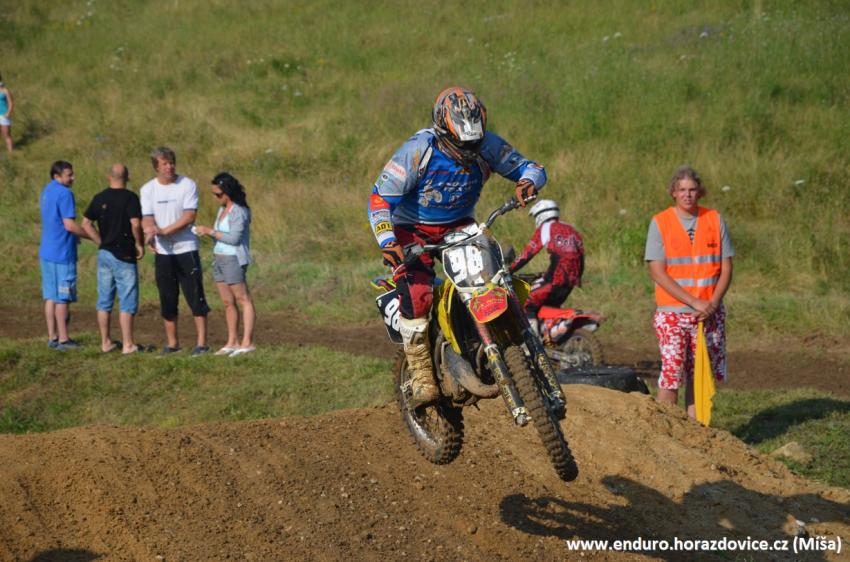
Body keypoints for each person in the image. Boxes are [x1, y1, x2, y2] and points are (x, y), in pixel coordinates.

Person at [367, 86, 549, 409]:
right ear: (442, 131)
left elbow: (532, 167)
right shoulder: (417, 151)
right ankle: (421, 374)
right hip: (412, 229)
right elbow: (379, 198)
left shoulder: (487, 145)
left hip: (460, 225)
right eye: (460, 144)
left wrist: (528, 181)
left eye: (473, 144)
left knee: (492, 278)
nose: (467, 151)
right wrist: (387, 240)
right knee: (418, 295)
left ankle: (501, 341)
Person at [645, 166, 734, 418]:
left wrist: (712, 303)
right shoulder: (660, 222)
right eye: (682, 190)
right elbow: (657, 272)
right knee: (671, 375)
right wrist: (695, 302)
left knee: (700, 375)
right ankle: (666, 430)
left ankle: (695, 432)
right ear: (673, 192)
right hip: (673, 313)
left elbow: (726, 268)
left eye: (692, 189)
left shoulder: (714, 219)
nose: (687, 194)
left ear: (700, 192)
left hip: (709, 313)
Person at [140, 146, 210, 356]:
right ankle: (173, 344)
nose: (169, 167)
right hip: (163, 253)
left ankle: (202, 344)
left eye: (171, 163)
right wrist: (150, 233)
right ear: (156, 167)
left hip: (186, 248)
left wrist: (163, 231)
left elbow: (189, 216)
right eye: (164, 164)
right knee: (167, 297)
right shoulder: (148, 189)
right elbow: (147, 217)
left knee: (195, 295)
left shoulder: (187, 185)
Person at [81, 163, 147, 354]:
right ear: (127, 178)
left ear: (109, 177)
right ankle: (128, 344)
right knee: (127, 300)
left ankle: (105, 342)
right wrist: (139, 244)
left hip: (105, 254)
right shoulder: (130, 198)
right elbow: (136, 224)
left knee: (104, 300)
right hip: (124, 254)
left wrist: (100, 241)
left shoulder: (100, 197)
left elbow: (86, 223)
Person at [194, 172, 255, 356]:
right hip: (219, 258)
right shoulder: (222, 209)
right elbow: (222, 235)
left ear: (228, 192)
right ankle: (232, 341)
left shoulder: (239, 211)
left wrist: (209, 231)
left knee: (243, 299)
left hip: (233, 259)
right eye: (214, 194)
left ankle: (247, 342)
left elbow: (234, 238)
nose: (216, 198)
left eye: (218, 194)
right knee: (228, 302)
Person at [39, 161, 94, 350]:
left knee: (50, 296)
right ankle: (64, 339)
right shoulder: (65, 193)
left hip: (47, 251)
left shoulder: (47, 190)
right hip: (62, 253)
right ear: (57, 176)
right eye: (69, 175)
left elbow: (55, 220)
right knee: (63, 297)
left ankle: (52, 337)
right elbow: (69, 225)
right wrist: (92, 235)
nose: (73, 178)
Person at [509, 199, 585, 334]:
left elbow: (528, 253)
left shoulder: (546, 228)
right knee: (547, 307)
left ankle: (533, 341)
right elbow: (580, 255)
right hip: (571, 281)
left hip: (555, 279)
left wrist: (510, 269)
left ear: (541, 215)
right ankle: (550, 334)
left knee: (526, 302)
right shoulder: (571, 229)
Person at [0, 72, 14, 153]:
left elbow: (11, 103)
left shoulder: (5, 91)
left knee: (7, 135)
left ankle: (11, 154)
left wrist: (8, 113)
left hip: (3, 115)